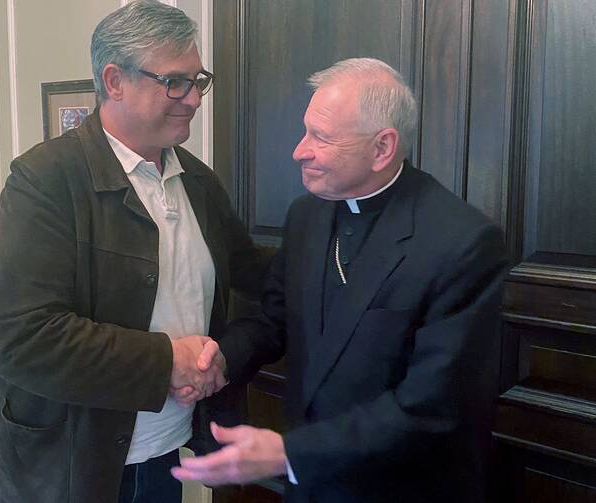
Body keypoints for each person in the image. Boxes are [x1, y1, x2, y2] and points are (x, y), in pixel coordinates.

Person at [172, 58, 510, 502]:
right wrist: (220, 359)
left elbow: (432, 406)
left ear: (382, 148)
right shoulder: (307, 215)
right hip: (313, 485)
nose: (299, 150)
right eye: (305, 130)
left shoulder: (463, 243)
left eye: (321, 137)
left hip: (404, 488)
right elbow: (275, 320)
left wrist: (289, 453)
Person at [0, 2, 268, 502]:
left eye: (199, 80)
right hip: (63, 470)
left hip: (163, 453)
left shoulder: (197, 182)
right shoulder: (45, 182)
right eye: (175, 81)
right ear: (114, 81)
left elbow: (255, 280)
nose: (194, 98)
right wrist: (165, 361)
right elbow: (20, 339)